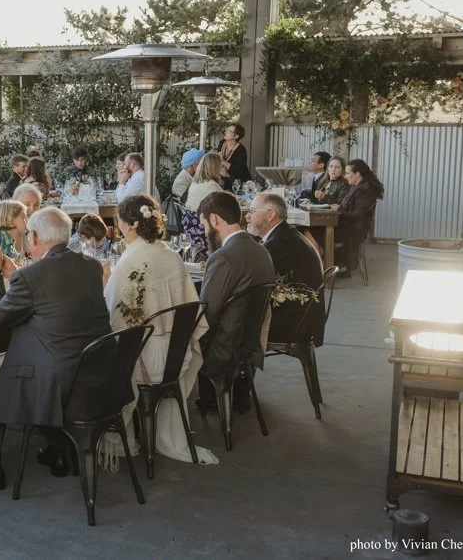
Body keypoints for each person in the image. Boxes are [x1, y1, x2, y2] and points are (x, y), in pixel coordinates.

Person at [0, 207, 110, 488]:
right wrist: (19, 273)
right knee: (51, 358)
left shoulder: (32, 277)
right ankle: (57, 451)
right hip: (92, 372)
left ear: (34, 237)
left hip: (53, 380)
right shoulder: (91, 267)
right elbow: (55, 295)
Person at [102, 194, 215, 466]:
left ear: (128, 225)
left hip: (145, 359)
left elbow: (113, 320)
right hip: (176, 355)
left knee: (103, 355)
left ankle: (121, 439)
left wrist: (106, 282)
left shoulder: (130, 262)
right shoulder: (171, 255)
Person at [197, 192, 275, 380]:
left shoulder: (223, 257)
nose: (205, 232)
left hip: (223, 351)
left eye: (204, 225)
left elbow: (207, 314)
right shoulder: (262, 250)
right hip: (250, 346)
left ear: (214, 219)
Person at [247, 193, 324, 345]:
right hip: (303, 315)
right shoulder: (285, 234)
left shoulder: (280, 243)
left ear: (270, 215)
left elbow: (253, 279)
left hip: (295, 323)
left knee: (231, 321)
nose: (248, 216)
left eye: (252, 211)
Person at [336, 159, 385, 272]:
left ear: (357, 174)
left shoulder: (365, 191)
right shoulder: (357, 187)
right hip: (349, 227)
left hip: (354, 232)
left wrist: (339, 209)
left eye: (348, 173)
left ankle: (328, 267)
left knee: (315, 231)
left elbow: (357, 215)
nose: (345, 176)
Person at [217, 122, 251, 191]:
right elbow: (218, 158)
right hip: (224, 179)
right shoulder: (222, 143)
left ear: (236, 136)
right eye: (226, 130)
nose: (226, 132)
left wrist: (223, 161)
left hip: (239, 182)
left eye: (229, 131)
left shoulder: (241, 149)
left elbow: (238, 168)